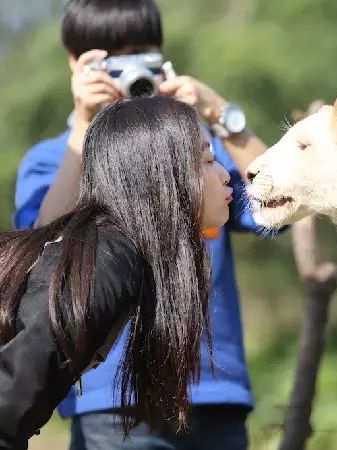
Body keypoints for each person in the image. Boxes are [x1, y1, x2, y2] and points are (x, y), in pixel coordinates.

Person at [13, 1, 279, 449]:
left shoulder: (201, 157)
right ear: (75, 66)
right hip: (112, 399)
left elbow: (276, 209)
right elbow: (45, 255)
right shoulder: (53, 159)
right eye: (107, 63)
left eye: (141, 55)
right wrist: (84, 126)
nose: (127, 74)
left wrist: (222, 116)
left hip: (215, 389)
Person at [1, 96, 232, 450]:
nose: (224, 174)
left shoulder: (112, 250)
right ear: (163, 173)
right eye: (207, 160)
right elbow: (8, 403)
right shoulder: (109, 260)